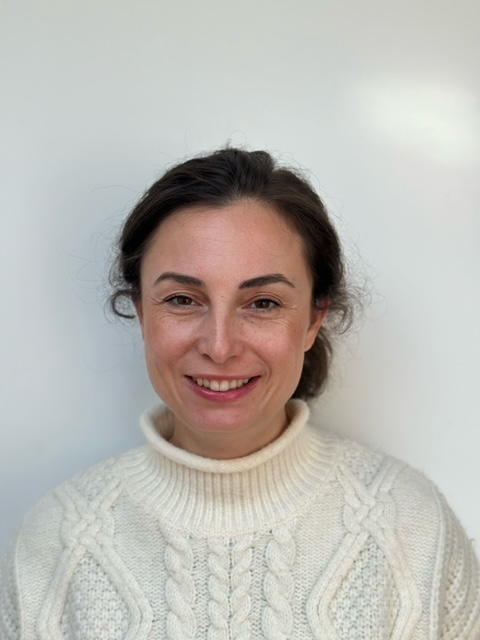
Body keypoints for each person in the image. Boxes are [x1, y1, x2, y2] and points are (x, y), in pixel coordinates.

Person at [1, 147, 479, 639]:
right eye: (182, 299)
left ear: (313, 320)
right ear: (142, 312)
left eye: (263, 303)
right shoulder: (54, 544)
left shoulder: (414, 529)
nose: (220, 346)